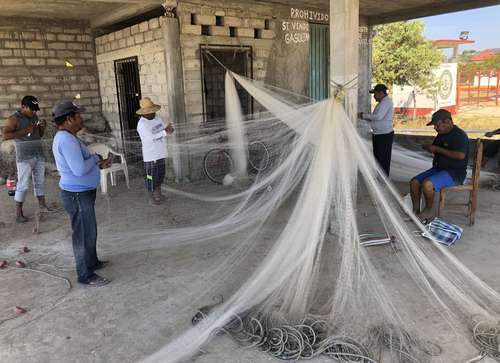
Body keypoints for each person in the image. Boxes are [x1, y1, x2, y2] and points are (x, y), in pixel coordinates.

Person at [52, 100, 112, 287]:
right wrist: (95, 158)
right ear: (69, 119)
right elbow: (78, 169)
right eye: (78, 116)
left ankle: (92, 262)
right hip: (77, 194)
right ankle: (85, 275)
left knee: (89, 230)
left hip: (81, 192)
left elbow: (80, 164)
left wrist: (98, 163)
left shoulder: (69, 137)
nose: (81, 119)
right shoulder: (66, 140)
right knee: (82, 234)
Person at [410, 109, 469, 221]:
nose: (435, 128)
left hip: (454, 173)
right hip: (438, 168)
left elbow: (460, 155)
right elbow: (436, 149)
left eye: (437, 125)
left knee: (427, 185)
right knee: (414, 182)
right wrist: (429, 148)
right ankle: (415, 211)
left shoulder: (459, 135)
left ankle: (427, 211)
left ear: (447, 122)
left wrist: (437, 149)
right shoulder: (441, 134)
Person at [2, 96, 49, 223]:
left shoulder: (34, 117)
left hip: (38, 153)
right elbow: (5, 136)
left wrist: (42, 127)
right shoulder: (13, 119)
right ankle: (18, 214)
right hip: (24, 157)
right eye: (31, 109)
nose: (34, 112)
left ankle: (43, 207)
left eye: (35, 110)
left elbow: (38, 135)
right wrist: (24, 131)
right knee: (22, 185)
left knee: (39, 182)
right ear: (23, 107)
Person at [136, 97, 174, 205]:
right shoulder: (142, 124)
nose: (153, 113)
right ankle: (151, 198)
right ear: (144, 113)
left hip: (161, 153)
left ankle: (159, 195)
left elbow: (163, 128)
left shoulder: (157, 118)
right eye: (150, 112)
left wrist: (169, 127)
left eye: (153, 111)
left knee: (160, 175)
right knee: (151, 177)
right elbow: (151, 137)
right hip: (151, 156)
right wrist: (166, 132)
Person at [358, 84, 394, 176]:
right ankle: (380, 178)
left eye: (375, 94)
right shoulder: (383, 102)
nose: (374, 96)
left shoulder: (386, 102)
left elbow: (378, 117)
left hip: (383, 135)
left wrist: (363, 116)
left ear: (381, 93)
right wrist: (364, 117)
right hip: (379, 134)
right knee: (379, 158)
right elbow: (376, 118)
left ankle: (383, 179)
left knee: (382, 159)